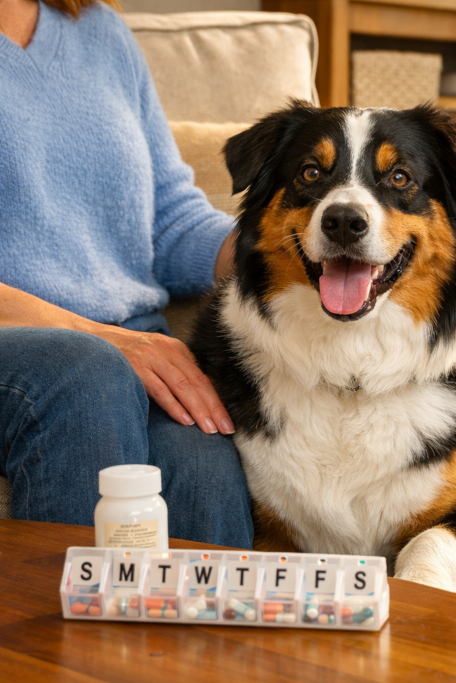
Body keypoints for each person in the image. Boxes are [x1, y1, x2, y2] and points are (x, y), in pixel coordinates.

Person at [0, 0, 253, 548]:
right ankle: (59, 635)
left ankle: (211, 637)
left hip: (128, 347)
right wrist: (101, 338)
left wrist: (284, 246)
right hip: (53, 356)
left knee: (201, 461)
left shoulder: (100, 31)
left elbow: (168, 220)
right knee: (86, 376)